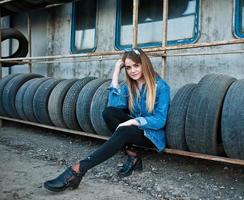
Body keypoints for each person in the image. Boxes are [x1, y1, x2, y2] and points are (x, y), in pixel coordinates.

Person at [44, 48, 170, 192]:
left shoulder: (160, 86)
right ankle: (133, 156)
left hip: (151, 134)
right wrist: (116, 70)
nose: (132, 71)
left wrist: (133, 121)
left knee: (124, 130)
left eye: (136, 65)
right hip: (133, 129)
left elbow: (160, 120)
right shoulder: (131, 86)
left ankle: (78, 169)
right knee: (109, 113)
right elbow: (114, 106)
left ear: (144, 64)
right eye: (128, 67)